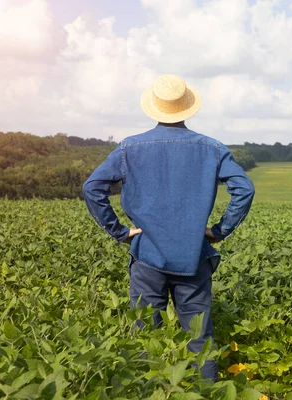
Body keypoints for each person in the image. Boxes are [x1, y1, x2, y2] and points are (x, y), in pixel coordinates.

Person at [82, 74, 255, 382]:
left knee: (146, 337)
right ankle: (206, 392)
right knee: (200, 340)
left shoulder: (129, 148)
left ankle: (150, 390)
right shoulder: (213, 149)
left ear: (154, 107)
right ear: (187, 108)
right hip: (194, 256)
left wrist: (120, 232)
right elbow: (244, 189)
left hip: (147, 255)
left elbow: (93, 187)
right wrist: (219, 230)